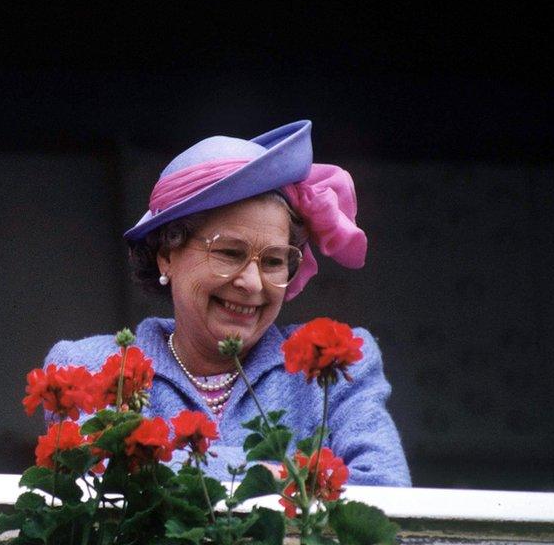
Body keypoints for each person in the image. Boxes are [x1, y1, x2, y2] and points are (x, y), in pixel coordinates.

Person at [44, 120, 410, 486]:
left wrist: (166, 467)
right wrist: (286, 477)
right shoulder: (89, 367)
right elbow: (99, 484)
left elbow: (390, 490)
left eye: (273, 261)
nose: (252, 283)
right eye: (229, 253)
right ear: (166, 254)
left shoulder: (333, 366)